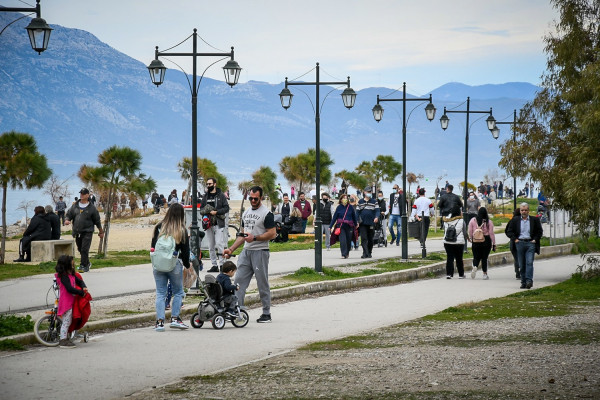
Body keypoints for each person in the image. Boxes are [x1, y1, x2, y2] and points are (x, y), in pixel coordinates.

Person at [224, 186, 276, 323]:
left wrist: (255, 238)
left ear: (261, 198)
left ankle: (266, 313)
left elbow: (272, 233)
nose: (253, 200)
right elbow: (242, 235)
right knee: (238, 282)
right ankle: (237, 311)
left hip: (260, 251)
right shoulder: (246, 213)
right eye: (250, 198)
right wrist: (231, 249)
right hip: (246, 252)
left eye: (255, 198)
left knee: (262, 283)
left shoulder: (266, 213)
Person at [150, 203, 190, 331]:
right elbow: (185, 251)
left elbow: (153, 245)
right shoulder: (181, 230)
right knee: (178, 292)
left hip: (158, 264)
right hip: (174, 264)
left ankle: (160, 322)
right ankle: (175, 319)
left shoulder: (159, 227)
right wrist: (187, 265)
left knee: (160, 293)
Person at [64, 188, 104, 272]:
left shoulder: (91, 208)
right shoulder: (75, 205)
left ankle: (83, 265)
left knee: (84, 249)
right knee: (80, 249)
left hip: (87, 231)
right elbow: (69, 214)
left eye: (83, 193)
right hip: (77, 231)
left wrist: (101, 231)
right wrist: (67, 219)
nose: (81, 195)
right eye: (81, 193)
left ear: (87, 195)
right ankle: (87, 263)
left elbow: (97, 220)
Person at [505, 202, 543, 289]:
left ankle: (529, 280)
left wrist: (535, 240)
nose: (524, 212)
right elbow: (509, 231)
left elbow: (539, 232)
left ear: (528, 211)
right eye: (522, 210)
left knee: (529, 262)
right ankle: (523, 281)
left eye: (526, 210)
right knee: (521, 264)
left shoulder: (534, 220)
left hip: (530, 243)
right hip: (519, 243)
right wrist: (515, 239)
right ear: (520, 211)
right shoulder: (515, 220)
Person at [55, 255, 89, 348]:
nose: (73, 264)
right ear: (67, 265)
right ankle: (63, 340)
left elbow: (79, 281)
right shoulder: (64, 277)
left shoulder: (71, 275)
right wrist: (80, 292)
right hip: (66, 302)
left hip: (71, 301)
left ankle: (65, 337)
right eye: (72, 263)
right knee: (66, 322)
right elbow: (69, 289)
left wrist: (83, 286)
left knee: (67, 320)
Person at [199, 177, 230, 273]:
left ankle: (221, 264)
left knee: (219, 243)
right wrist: (206, 211)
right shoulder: (205, 197)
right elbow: (201, 209)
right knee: (211, 245)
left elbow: (226, 208)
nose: (208, 185)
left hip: (218, 224)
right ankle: (214, 265)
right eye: (207, 184)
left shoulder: (221, 196)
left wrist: (216, 212)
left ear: (215, 184)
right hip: (208, 225)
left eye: (210, 184)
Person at [468, 207, 496, 280]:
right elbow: (491, 233)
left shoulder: (473, 220)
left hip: (476, 240)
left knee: (476, 257)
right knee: (484, 258)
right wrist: (494, 243)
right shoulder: (488, 222)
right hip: (486, 241)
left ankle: (475, 266)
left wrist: (471, 238)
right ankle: (484, 274)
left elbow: (470, 231)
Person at [442, 210, 468, 279]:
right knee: (459, 258)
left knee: (449, 258)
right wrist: (467, 238)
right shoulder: (462, 221)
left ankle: (449, 274)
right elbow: (465, 232)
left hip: (447, 242)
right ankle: (461, 274)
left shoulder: (445, 221)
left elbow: (445, 231)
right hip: (459, 243)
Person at [330, 194, 357, 259]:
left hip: (349, 226)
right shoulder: (339, 207)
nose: (345, 199)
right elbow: (335, 217)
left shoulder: (350, 207)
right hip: (341, 226)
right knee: (343, 240)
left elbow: (354, 217)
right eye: (343, 198)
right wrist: (330, 226)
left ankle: (347, 252)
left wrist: (356, 225)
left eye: (346, 198)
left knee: (348, 240)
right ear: (341, 200)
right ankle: (343, 253)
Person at [356, 186, 380, 259]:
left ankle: (369, 252)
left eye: (370, 192)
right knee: (364, 238)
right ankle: (365, 252)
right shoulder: (360, 202)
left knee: (370, 239)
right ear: (364, 192)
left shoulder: (374, 201)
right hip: (363, 223)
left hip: (371, 223)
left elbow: (377, 211)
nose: (369, 193)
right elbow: (357, 212)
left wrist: (376, 217)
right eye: (368, 192)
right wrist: (357, 221)